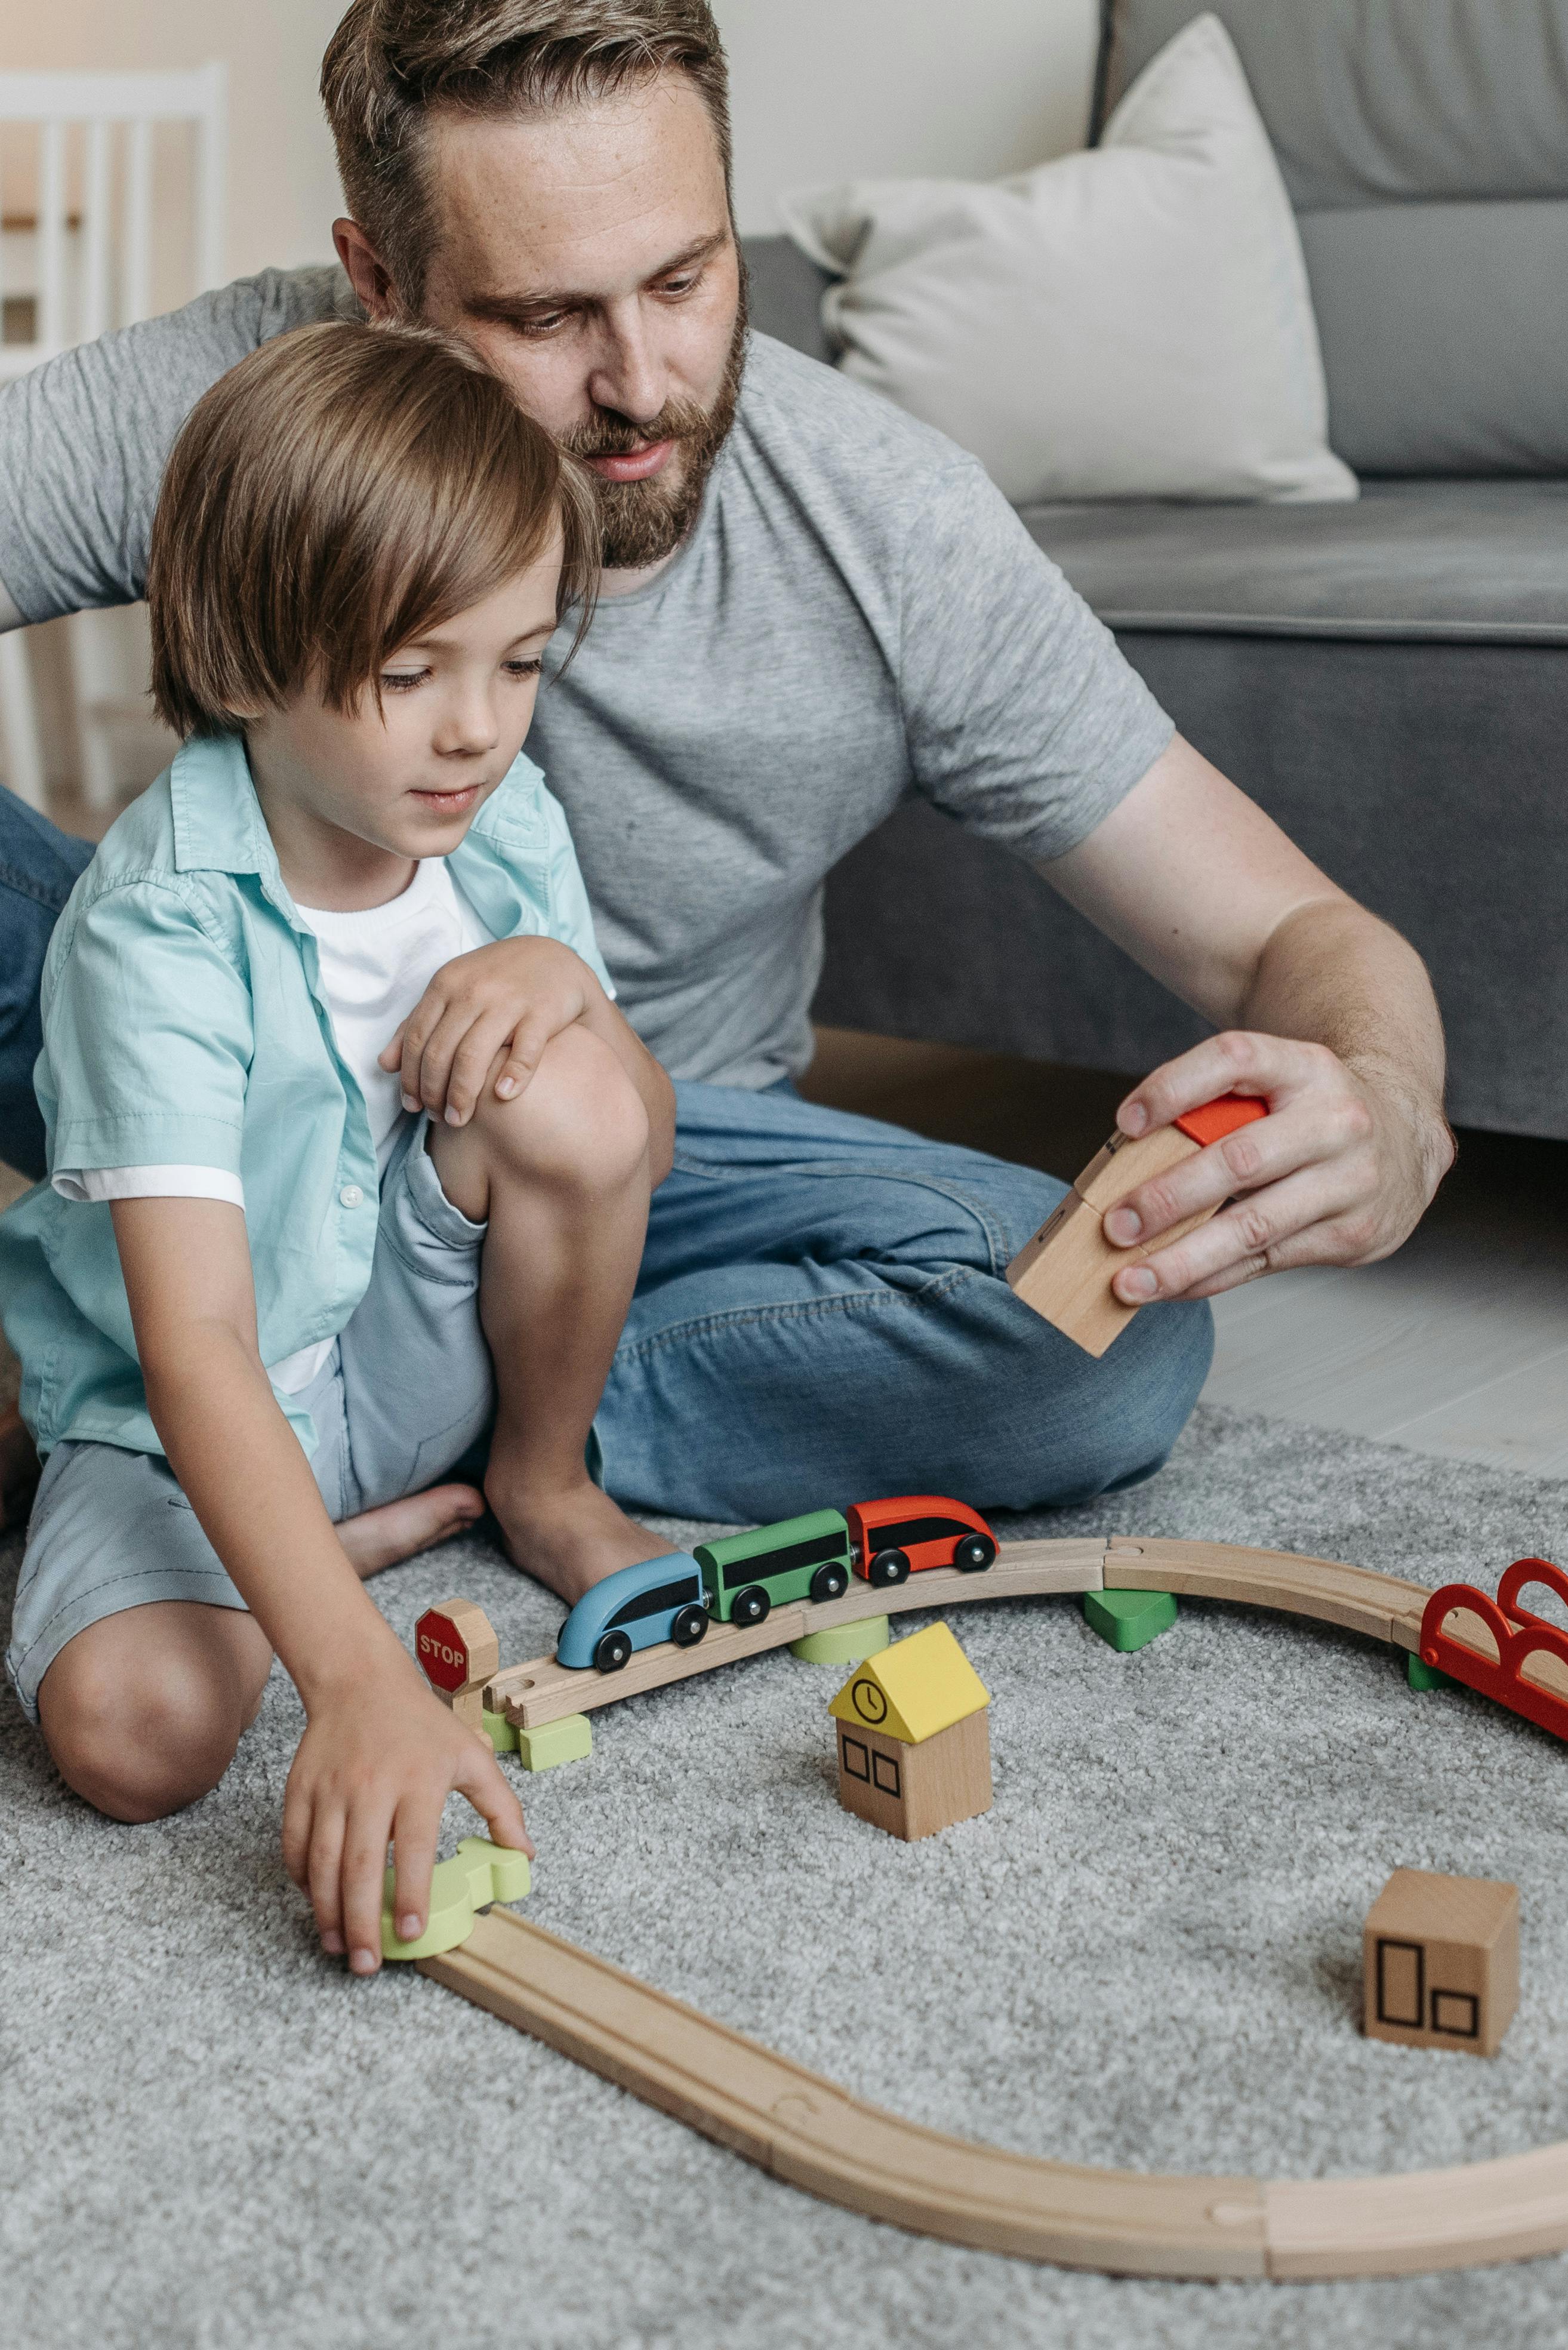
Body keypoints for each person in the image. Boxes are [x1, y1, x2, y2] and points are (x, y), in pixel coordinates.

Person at [0, 0, 1452, 1540]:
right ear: (377, 287)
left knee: (1110, 1337)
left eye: (687, 281)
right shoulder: (252, 405)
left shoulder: (890, 526)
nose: (643, 384)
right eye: (547, 318)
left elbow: (1290, 937)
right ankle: (240, 1373)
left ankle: (288, 1399)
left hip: (623, 1159)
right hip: (223, 1087)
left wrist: (1390, 1097)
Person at [0, 319, 683, 1973]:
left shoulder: (502, 824)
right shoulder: (153, 932)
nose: (476, 731)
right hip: (196, 1416)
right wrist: (355, 1671)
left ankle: (534, 1477)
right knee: (130, 1738)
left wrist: (562, 986)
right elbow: (199, 1346)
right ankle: (312, 1545)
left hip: (413, 1350)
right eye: (410, 675)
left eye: (519, 665)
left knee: (576, 1081)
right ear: (245, 662)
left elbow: (634, 1136)